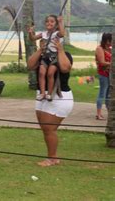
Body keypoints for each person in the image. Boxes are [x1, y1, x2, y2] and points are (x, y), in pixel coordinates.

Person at [28, 37, 73, 167]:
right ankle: (51, 156)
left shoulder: (65, 55)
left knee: (49, 129)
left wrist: (60, 50)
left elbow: (65, 68)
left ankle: (52, 158)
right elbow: (30, 65)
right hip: (42, 95)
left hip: (59, 96)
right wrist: (39, 50)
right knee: (46, 129)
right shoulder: (42, 57)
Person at [28, 15, 65, 101]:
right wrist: (30, 32)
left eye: (52, 21)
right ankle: (42, 93)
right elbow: (32, 39)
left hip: (54, 57)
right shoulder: (43, 34)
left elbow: (62, 34)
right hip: (45, 56)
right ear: (45, 23)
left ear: (55, 24)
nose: (49, 23)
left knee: (50, 74)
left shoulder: (57, 34)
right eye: (47, 21)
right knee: (41, 73)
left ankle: (49, 93)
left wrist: (60, 22)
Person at [95, 32, 112, 120]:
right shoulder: (100, 48)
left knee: (109, 95)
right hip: (103, 74)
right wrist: (112, 64)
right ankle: (98, 113)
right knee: (102, 93)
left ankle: (110, 113)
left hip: (110, 75)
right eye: (111, 40)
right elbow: (102, 62)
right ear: (107, 40)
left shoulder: (109, 49)